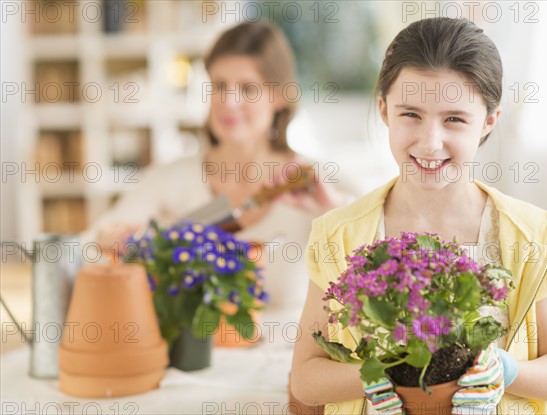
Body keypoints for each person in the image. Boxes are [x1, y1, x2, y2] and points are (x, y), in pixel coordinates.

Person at [291, 17, 547, 415]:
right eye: (411, 114)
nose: (430, 143)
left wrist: (505, 369)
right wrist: (379, 374)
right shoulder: (339, 236)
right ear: (384, 110)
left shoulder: (533, 235)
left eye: (454, 119)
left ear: (488, 122)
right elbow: (305, 378)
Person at [81, 21, 353, 314]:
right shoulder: (169, 179)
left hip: (288, 357)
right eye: (219, 86)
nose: (229, 101)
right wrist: (109, 240)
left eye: (248, 88)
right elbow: (85, 248)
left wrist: (333, 208)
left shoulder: (317, 180)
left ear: (279, 96)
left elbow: (378, 267)